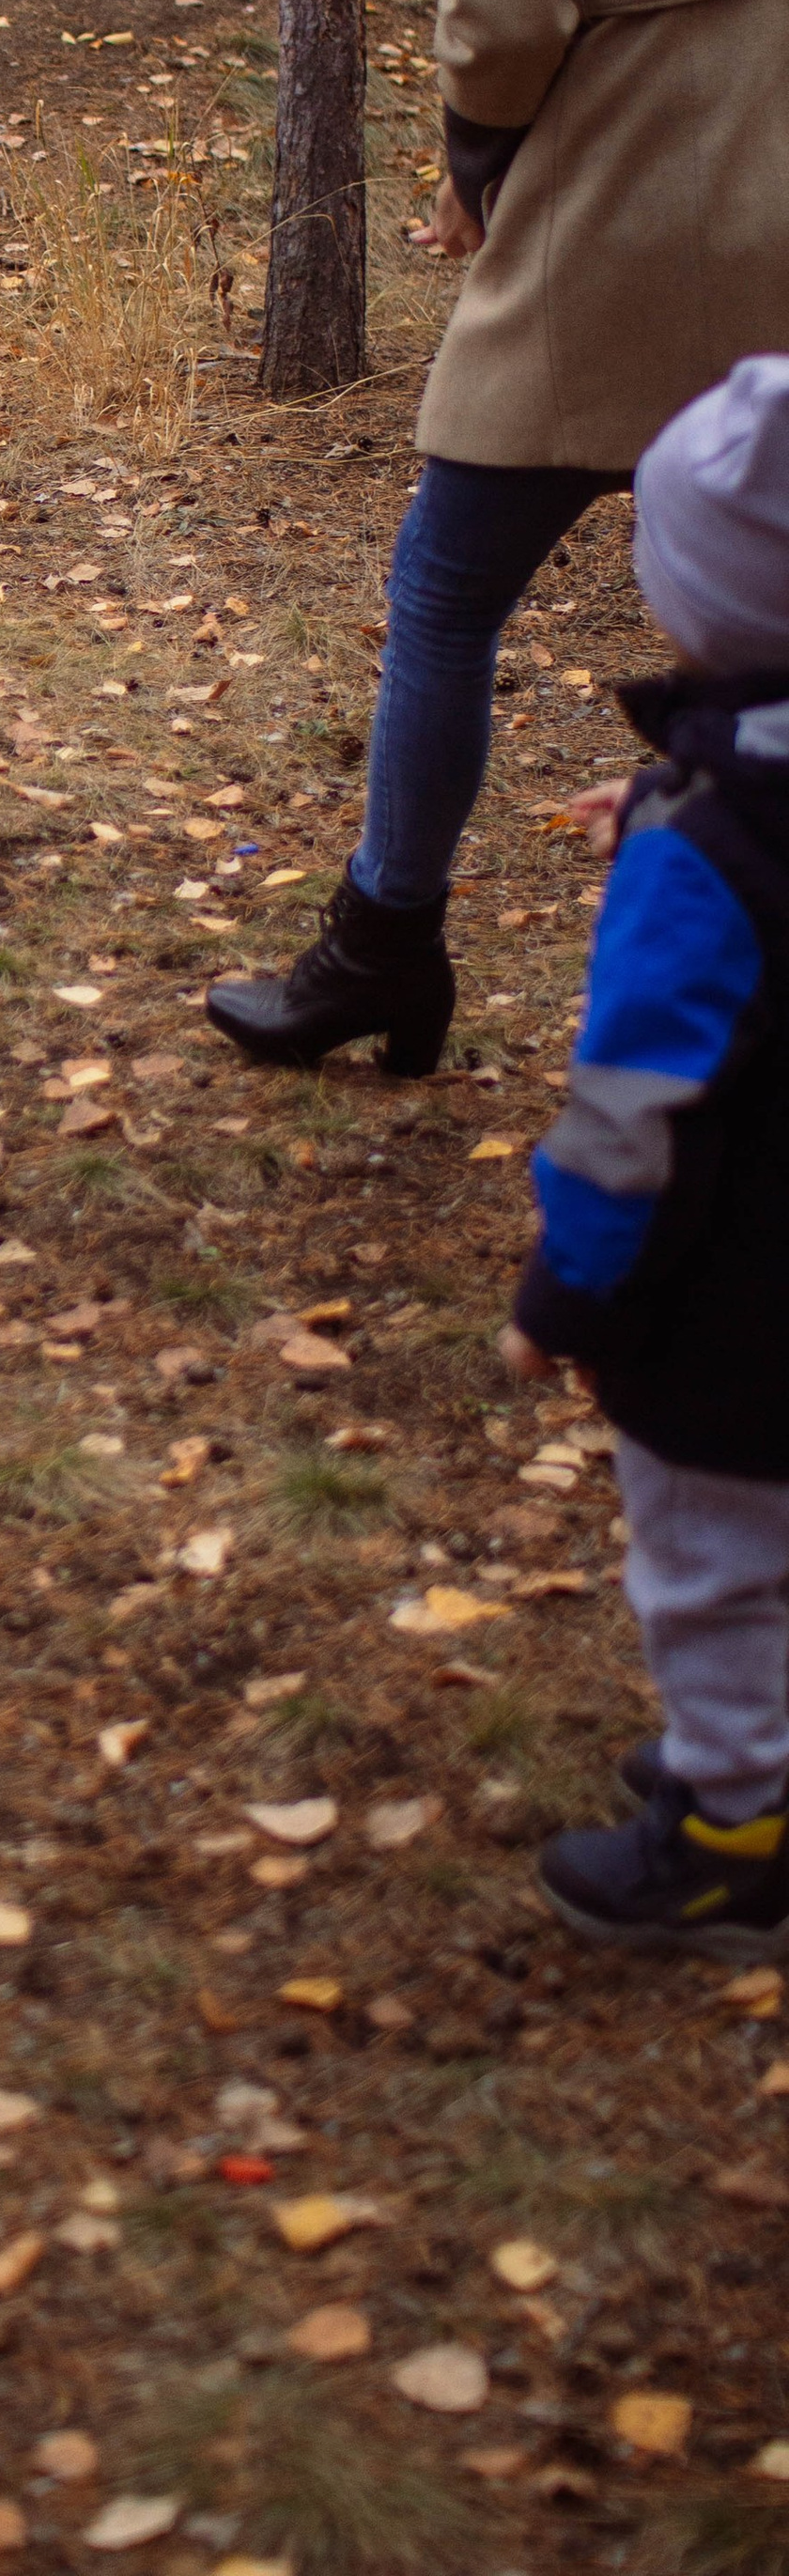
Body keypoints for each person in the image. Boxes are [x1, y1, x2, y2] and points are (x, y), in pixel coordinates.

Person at [208, 0, 789, 1080]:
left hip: (646, 175)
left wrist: (476, 163)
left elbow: (509, 10)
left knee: (451, 581)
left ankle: (383, 946)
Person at [503, 361, 789, 1957]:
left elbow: (637, 1112)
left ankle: (734, 1821)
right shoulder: (729, 802)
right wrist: (688, 793)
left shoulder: (703, 860)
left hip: (736, 1312)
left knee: (711, 1567)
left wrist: (567, 1296)